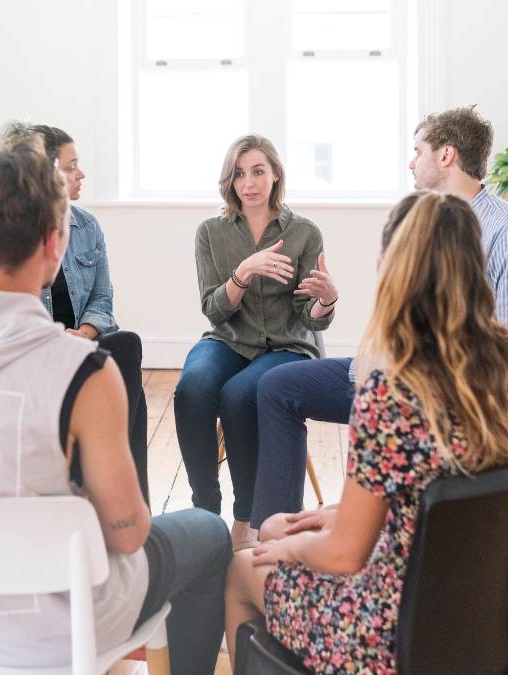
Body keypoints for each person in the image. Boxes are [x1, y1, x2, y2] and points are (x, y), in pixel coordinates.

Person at [0, 146, 231, 672]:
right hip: (60, 623)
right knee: (211, 533)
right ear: (54, 243)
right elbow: (127, 535)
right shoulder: (81, 370)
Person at [223, 192, 508, 673]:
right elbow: (445, 482)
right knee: (277, 525)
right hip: (483, 609)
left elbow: (343, 555)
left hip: (390, 632)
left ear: (391, 267)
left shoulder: (394, 389)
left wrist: (290, 548)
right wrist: (332, 515)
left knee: (244, 566)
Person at [249, 106, 508, 533]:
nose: (411, 161)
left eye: (418, 150)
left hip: (437, 396)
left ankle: (322, 536)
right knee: (277, 387)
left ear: (446, 156)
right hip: (390, 375)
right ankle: (273, 530)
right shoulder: (425, 220)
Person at [174, 133, 338, 551]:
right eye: (240, 174)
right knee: (192, 388)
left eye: (258, 171)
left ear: (276, 175)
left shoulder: (304, 233)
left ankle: (244, 520)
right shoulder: (211, 233)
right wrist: (242, 273)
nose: (249, 182)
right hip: (228, 337)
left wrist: (326, 300)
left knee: (239, 395)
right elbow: (214, 310)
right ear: (229, 181)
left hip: (285, 344)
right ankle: (204, 510)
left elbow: (309, 316)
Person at [30, 123, 150, 502]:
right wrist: (61, 339)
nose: (81, 174)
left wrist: (82, 335)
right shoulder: (19, 232)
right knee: (123, 359)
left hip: (85, 342)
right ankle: (121, 498)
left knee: (125, 346)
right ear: (46, 175)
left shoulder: (87, 226)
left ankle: (130, 495)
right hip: (42, 352)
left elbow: (102, 298)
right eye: (71, 166)